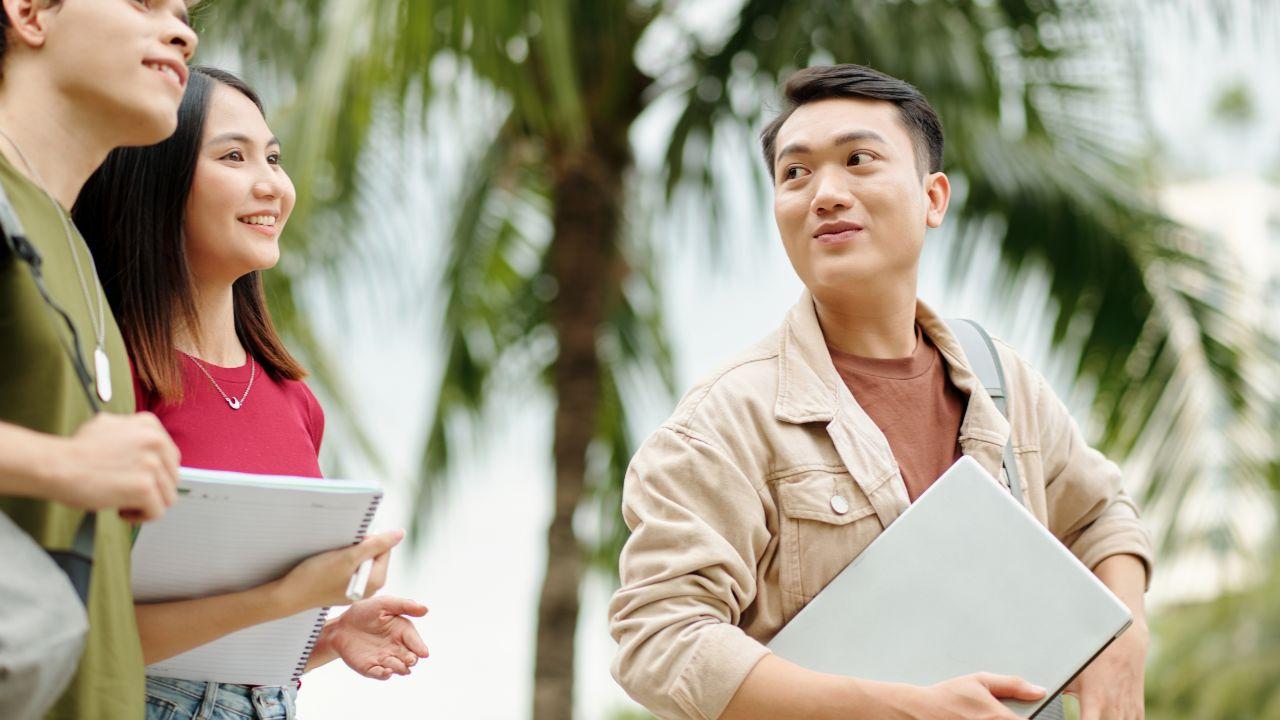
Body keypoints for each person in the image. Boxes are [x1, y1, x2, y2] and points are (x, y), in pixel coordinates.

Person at [609, 64, 1153, 720]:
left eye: (858, 159)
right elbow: (660, 640)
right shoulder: (725, 420)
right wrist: (897, 708)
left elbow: (1102, 517)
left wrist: (1126, 637)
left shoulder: (999, 381)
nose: (825, 194)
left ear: (933, 197)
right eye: (795, 173)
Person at [75, 66, 429, 720]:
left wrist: (324, 637)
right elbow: (85, 640)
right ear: (157, 180)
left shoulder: (295, 401)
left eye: (273, 157)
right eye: (233, 156)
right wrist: (288, 598)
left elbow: (226, 656)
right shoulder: (108, 377)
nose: (271, 184)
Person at [0, 1, 196, 717]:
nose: (183, 31)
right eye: (144, 2)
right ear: (28, 12)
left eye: (183, 12)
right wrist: (60, 465)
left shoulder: (75, 250)